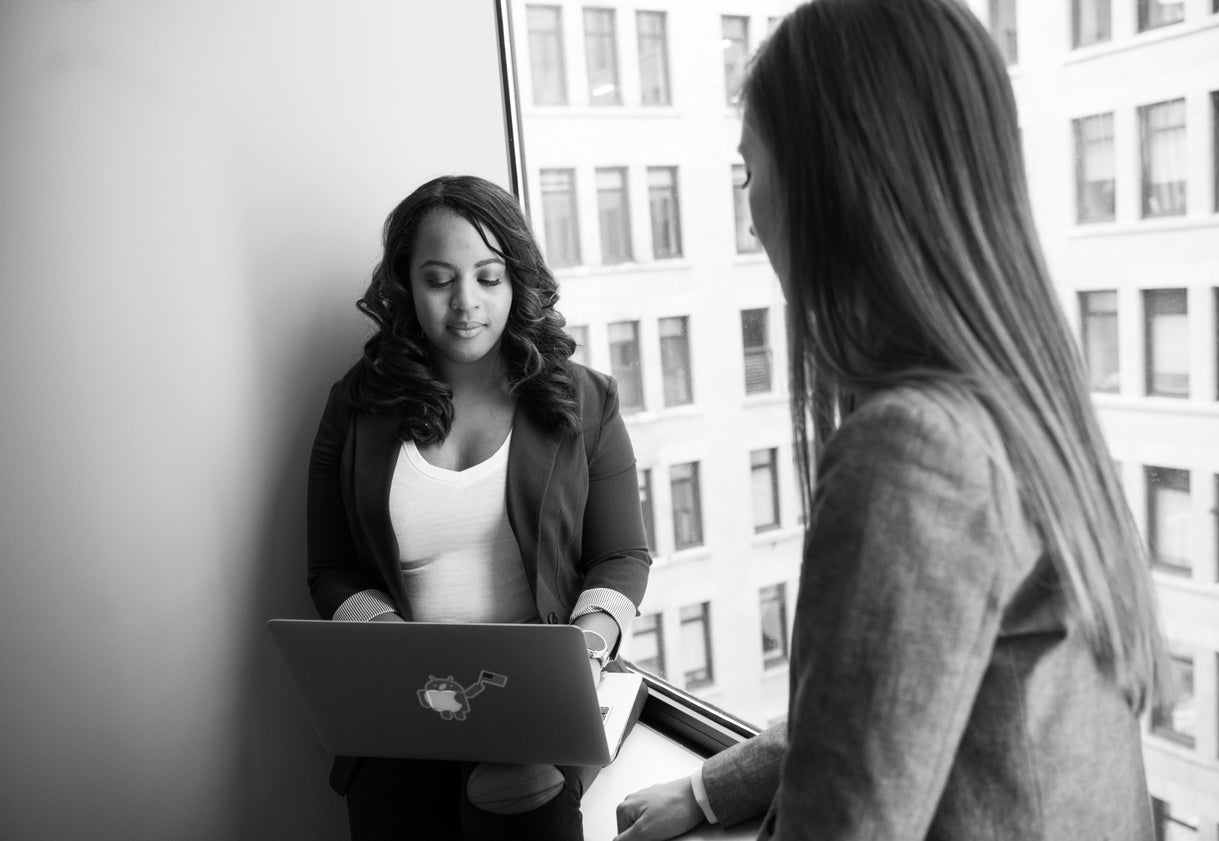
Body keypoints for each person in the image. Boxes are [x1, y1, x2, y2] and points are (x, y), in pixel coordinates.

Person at [613, 1, 1167, 839]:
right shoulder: (1012, 397)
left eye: (749, 173)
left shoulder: (912, 451)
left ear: (831, 186)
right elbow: (893, 687)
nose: (750, 217)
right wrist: (707, 789)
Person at [306, 174, 651, 840]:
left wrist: (581, 654)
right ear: (406, 286)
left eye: (488, 278)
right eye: (439, 280)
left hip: (535, 704)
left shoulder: (587, 401)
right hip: (406, 704)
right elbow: (332, 570)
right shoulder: (355, 406)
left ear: (516, 280)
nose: (466, 303)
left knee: (517, 797)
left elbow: (621, 557)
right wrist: (392, 647)